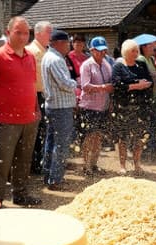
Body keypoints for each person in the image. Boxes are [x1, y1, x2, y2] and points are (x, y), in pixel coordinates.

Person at [0, 16, 42, 206]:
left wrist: (36, 109)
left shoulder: (30, 56)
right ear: (8, 33)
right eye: (18, 32)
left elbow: (31, 85)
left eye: (26, 33)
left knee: (24, 160)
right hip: (5, 120)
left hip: (29, 118)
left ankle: (20, 195)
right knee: (1, 163)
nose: (23, 37)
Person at [41, 30, 77, 190]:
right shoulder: (55, 59)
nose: (69, 45)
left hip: (55, 106)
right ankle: (55, 179)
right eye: (67, 42)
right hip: (60, 107)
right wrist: (78, 83)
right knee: (61, 144)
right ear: (59, 43)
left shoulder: (50, 57)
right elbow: (64, 83)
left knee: (51, 142)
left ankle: (49, 175)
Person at [111, 39, 153, 175]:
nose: (135, 54)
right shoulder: (118, 66)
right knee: (123, 137)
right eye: (132, 51)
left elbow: (150, 81)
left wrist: (139, 85)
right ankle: (122, 165)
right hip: (123, 107)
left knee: (139, 137)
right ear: (125, 52)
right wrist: (136, 85)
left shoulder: (141, 64)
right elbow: (117, 86)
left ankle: (137, 164)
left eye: (136, 51)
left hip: (140, 107)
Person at [78, 36, 113, 176]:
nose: (101, 53)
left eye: (103, 50)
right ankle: (86, 166)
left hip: (103, 106)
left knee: (98, 137)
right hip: (89, 107)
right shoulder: (86, 65)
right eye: (98, 51)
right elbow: (85, 86)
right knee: (89, 136)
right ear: (92, 50)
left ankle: (94, 164)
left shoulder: (107, 64)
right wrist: (103, 88)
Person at [25, 21, 52, 175]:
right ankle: (34, 163)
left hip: (45, 95)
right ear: (38, 33)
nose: (51, 35)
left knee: (43, 130)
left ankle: (40, 161)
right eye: (49, 32)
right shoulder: (30, 51)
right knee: (35, 131)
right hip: (34, 96)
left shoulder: (47, 51)